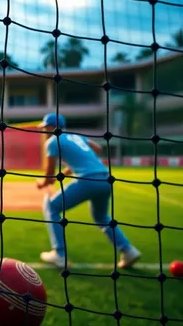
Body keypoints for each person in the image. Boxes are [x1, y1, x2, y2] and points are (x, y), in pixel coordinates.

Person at [36, 112, 141, 269]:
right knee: (101, 217)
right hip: (106, 179)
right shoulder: (76, 137)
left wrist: (43, 183)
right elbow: (97, 148)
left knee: (52, 206)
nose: (44, 131)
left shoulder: (52, 142)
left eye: (46, 127)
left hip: (87, 180)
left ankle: (59, 254)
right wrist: (68, 170)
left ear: (52, 127)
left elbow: (49, 172)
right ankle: (128, 251)